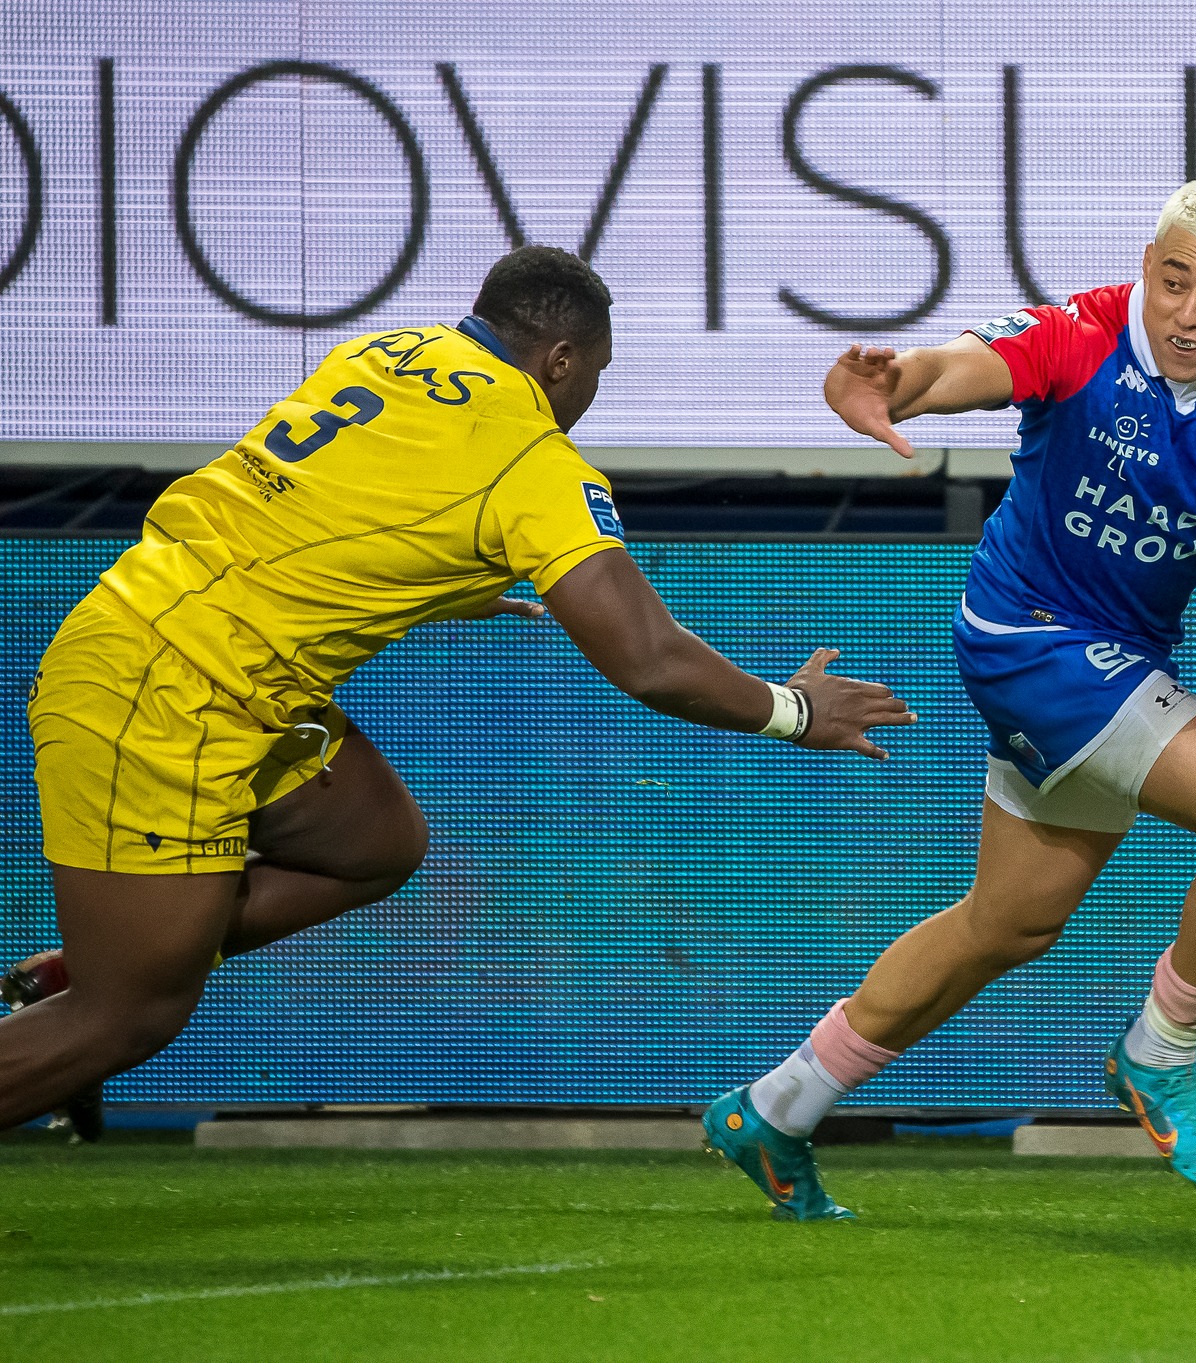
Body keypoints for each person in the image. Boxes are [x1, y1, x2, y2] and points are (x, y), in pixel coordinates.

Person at [0, 245, 913, 1137]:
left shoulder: (387, 352)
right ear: (559, 359)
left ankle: (84, 976)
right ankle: (99, 990)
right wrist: (794, 711)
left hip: (178, 649)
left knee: (374, 842)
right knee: (135, 1017)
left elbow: (338, 501)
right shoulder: (531, 460)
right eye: (596, 372)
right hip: (169, 694)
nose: (590, 397)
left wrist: (459, 588)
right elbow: (649, 659)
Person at [703, 181, 1196, 1219]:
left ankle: (775, 1106)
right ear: (1145, 267)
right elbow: (965, 367)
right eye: (1172, 282)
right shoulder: (1085, 328)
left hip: (1121, 656)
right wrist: (901, 384)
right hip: (1027, 640)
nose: (1189, 313)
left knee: (1008, 923)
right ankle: (1158, 1056)